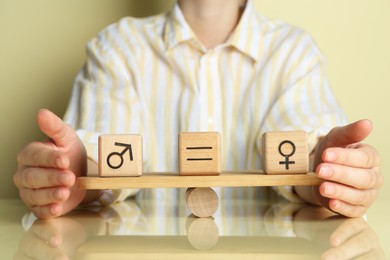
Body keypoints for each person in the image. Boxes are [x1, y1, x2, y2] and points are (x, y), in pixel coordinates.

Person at [14, 0, 382, 219]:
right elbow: (104, 160)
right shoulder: (118, 48)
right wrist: (75, 172)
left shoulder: (292, 52)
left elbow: (301, 157)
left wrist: (329, 172)